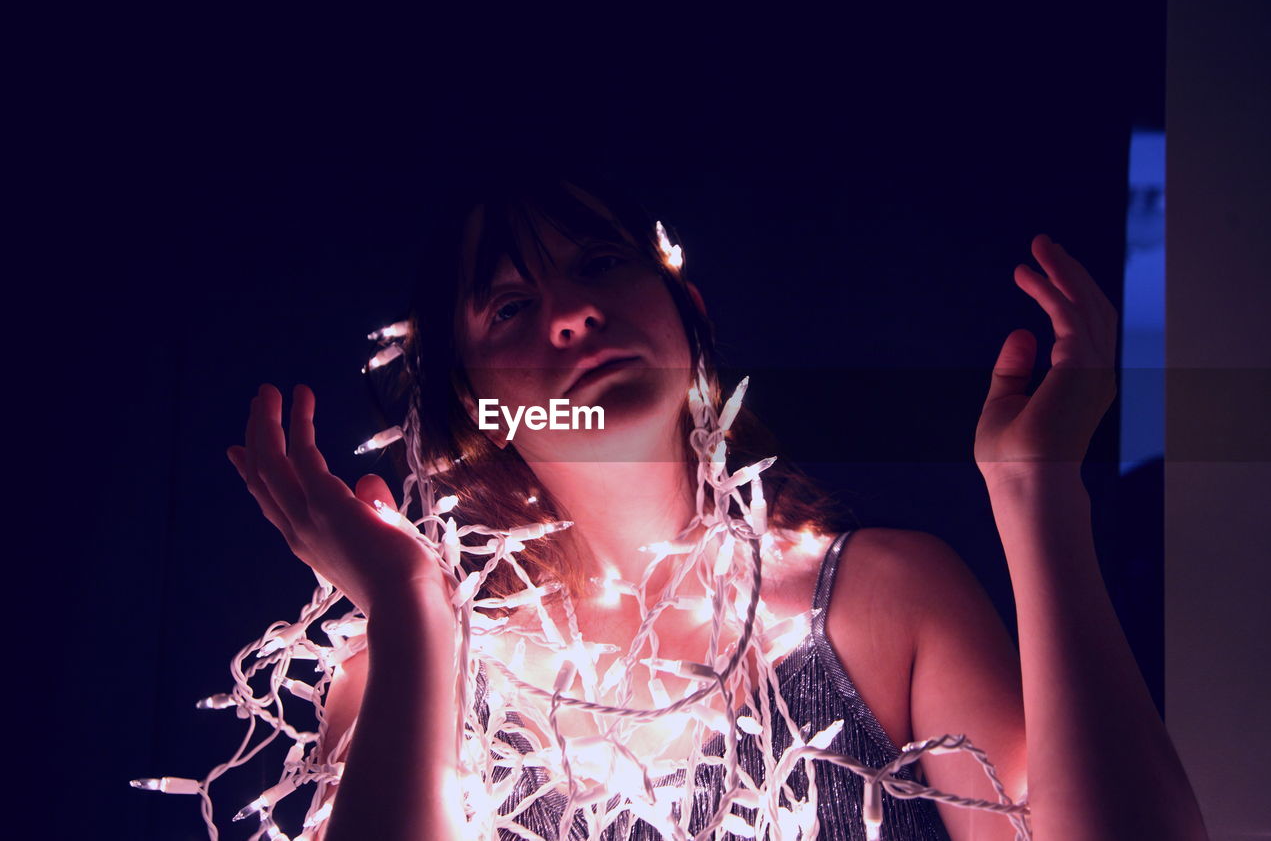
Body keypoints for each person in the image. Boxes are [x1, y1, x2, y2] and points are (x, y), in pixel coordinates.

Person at [226, 166, 1209, 840]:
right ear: (469, 407)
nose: (574, 313)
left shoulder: (882, 602)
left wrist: (1039, 495)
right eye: (511, 308)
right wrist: (409, 614)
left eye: (600, 262)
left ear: (686, 315)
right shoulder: (399, 677)